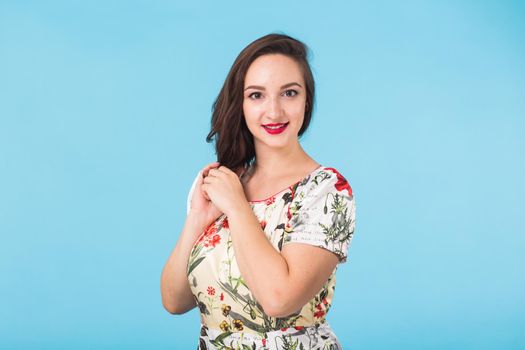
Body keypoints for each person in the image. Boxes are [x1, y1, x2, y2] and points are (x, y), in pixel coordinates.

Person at [160, 33, 357, 349]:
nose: (274, 112)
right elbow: (174, 300)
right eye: (256, 95)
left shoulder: (326, 190)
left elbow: (280, 300)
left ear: (307, 100)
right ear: (240, 103)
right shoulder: (223, 183)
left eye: (289, 93)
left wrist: (238, 208)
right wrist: (198, 218)